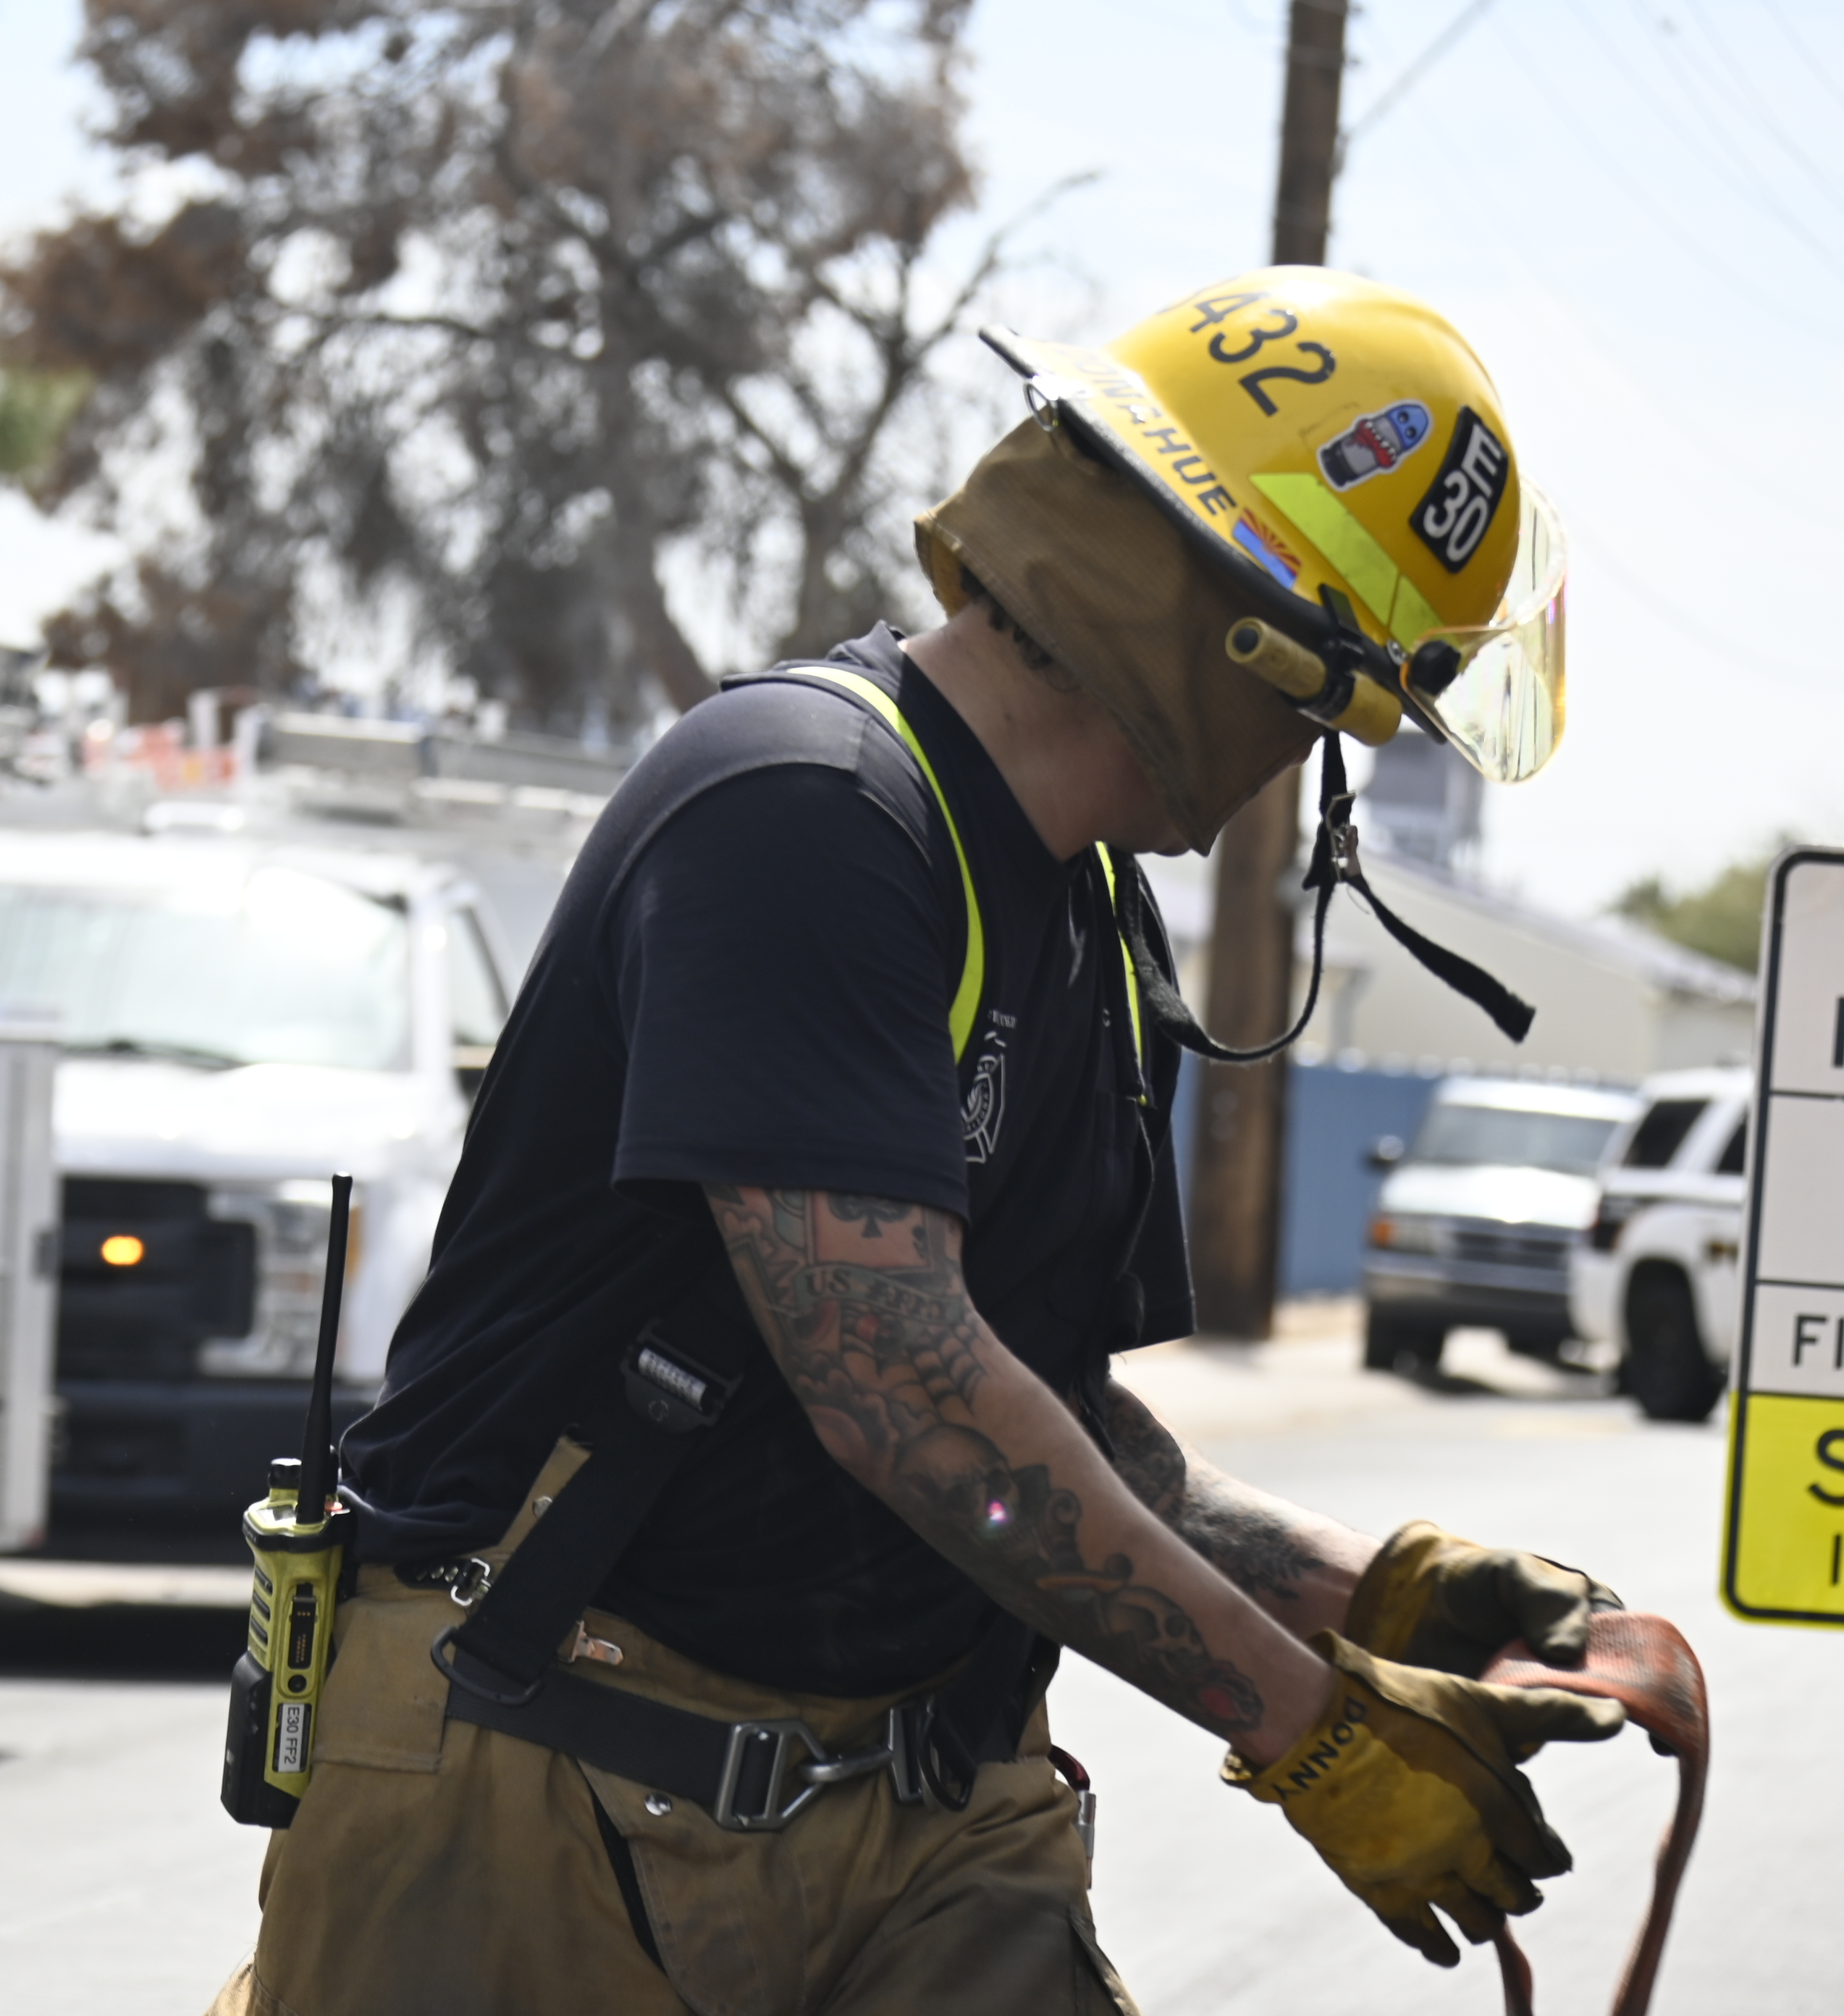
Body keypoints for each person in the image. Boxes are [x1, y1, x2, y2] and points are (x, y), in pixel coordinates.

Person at [210, 266, 1615, 2015]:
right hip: (541, 1772)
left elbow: (1044, 1419)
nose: (1312, 758)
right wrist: (1310, 1730)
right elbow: (900, 1388)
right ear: (1232, 640)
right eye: (1333, 704)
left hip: (919, 1813)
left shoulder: (1088, 915)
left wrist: (1370, 1593)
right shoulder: (806, 807)